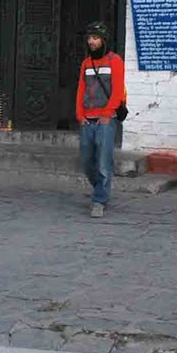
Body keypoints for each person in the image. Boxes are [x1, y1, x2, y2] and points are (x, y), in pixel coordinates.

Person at [74, 21, 126, 218]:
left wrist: (107, 114)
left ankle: (99, 200)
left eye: (95, 38)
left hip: (106, 119)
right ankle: (100, 189)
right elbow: (81, 90)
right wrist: (80, 115)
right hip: (87, 119)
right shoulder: (86, 63)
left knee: (104, 163)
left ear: (103, 40)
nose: (91, 42)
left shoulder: (115, 61)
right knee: (87, 162)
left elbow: (118, 90)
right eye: (89, 38)